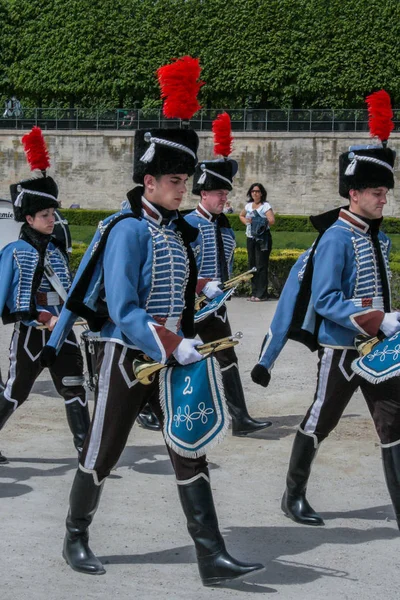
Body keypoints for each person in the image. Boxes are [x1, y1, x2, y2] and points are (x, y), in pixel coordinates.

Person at [41, 57, 263, 585]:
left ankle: (211, 555)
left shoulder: (174, 231)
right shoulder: (127, 231)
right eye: (173, 180)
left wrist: (198, 295)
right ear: (148, 180)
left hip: (172, 352)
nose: (182, 189)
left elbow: (171, 288)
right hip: (126, 354)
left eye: (185, 180)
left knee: (189, 448)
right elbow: (123, 308)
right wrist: (169, 342)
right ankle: (75, 533)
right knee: (103, 450)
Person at [251, 90, 400, 530]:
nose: (383, 200)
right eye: (376, 193)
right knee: (321, 419)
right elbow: (326, 300)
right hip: (342, 349)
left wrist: (388, 321)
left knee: (393, 425)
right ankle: (292, 494)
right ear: (353, 194)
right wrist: (378, 319)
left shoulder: (376, 236)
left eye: (385, 193)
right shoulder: (336, 237)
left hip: (380, 351)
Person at [0, 127, 90, 465]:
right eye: (44, 215)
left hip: (62, 328)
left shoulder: (56, 251)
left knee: (74, 386)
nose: (52, 221)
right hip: (32, 334)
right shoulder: (17, 251)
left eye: (52, 214)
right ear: (28, 218)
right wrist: (45, 318)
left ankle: (86, 450)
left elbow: (68, 291)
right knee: (16, 391)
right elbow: (14, 305)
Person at [185, 112, 272, 436]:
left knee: (227, 357)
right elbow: (176, 271)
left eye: (226, 192)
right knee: (170, 358)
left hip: (214, 308)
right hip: (186, 307)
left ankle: (240, 419)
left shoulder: (225, 230)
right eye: (219, 192)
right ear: (203, 193)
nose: (225, 197)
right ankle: (146, 408)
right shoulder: (188, 225)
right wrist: (203, 285)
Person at [239, 183, 275, 301]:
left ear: (262, 193)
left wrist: (258, 222)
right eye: (253, 191)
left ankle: (262, 294)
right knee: (252, 265)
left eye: (258, 191)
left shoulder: (265, 206)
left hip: (262, 238)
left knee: (261, 265)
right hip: (250, 237)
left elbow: (271, 220)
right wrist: (247, 222)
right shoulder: (249, 205)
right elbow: (241, 215)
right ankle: (254, 293)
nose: (255, 193)